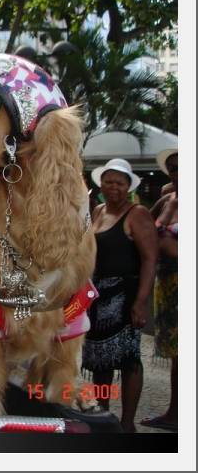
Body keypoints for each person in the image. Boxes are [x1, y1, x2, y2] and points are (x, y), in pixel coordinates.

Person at [82, 158, 157, 432]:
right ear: (101, 184)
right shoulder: (98, 210)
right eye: (109, 181)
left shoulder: (138, 214)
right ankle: (103, 415)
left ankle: (127, 423)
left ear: (129, 187)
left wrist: (140, 302)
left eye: (120, 183)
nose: (113, 187)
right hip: (97, 296)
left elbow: (150, 259)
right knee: (100, 361)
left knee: (128, 360)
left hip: (126, 296)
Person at [141, 149, 178, 432]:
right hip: (168, 284)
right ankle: (175, 412)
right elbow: (146, 229)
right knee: (177, 353)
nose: (176, 172)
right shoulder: (168, 199)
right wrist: (166, 210)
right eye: (172, 168)